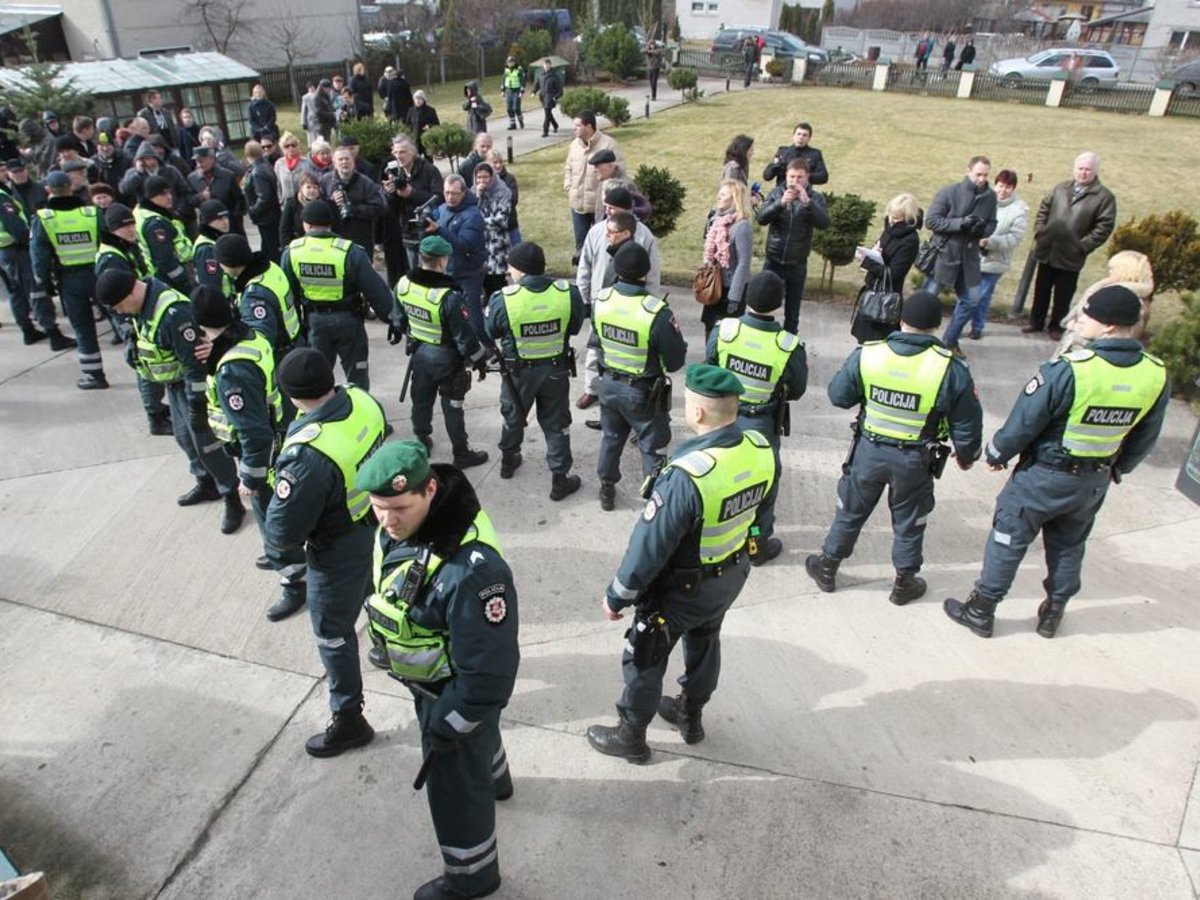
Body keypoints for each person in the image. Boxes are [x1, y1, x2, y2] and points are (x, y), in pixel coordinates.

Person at [944, 285, 1168, 639]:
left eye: (1086, 315)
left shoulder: (1071, 370)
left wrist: (998, 453)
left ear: (1109, 326)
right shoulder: (1155, 374)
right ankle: (1053, 613)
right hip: (1092, 482)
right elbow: (1146, 435)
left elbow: (1026, 420)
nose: (1078, 320)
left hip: (1044, 477)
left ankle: (981, 609)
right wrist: (1119, 469)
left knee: (1008, 539)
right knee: (1069, 545)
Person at [585, 363, 779, 762]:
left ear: (698, 412)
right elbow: (762, 520)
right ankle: (691, 715)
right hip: (729, 574)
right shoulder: (762, 451)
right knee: (705, 642)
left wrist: (617, 596)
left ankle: (631, 735)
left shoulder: (688, 476)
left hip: (679, 589)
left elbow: (648, 548)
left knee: (645, 653)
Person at [356, 440, 519, 900]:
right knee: (481, 743)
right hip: (430, 677)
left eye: (399, 509)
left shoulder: (472, 572)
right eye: (377, 507)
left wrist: (451, 721)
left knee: (453, 787)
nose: (387, 521)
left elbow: (488, 675)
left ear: (430, 489)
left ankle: (472, 876)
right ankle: (497, 779)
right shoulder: (405, 527)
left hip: (450, 693)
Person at [806, 291, 983, 603]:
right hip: (914, 459)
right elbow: (967, 422)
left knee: (850, 510)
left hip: (868, 452)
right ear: (936, 327)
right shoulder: (949, 368)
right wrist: (967, 456)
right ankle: (904, 582)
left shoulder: (870, 354)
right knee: (910, 520)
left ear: (901, 321)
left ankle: (828, 566)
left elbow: (838, 396)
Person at [264, 348, 386, 754]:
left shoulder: (310, 455)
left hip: (337, 548)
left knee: (333, 634)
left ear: (292, 396)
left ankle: (350, 717)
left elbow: (282, 532)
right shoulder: (363, 400)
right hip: (379, 522)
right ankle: (387, 646)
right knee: (375, 591)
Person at [94, 268, 244, 532]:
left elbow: (195, 364)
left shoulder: (173, 314)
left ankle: (231, 497)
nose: (119, 312)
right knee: (184, 438)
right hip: (174, 387)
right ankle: (205, 483)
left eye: (119, 306)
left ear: (130, 291)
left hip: (191, 388)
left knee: (208, 446)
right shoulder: (142, 308)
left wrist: (197, 404)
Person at [190, 286, 305, 621]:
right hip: (275, 441)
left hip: (262, 459)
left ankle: (294, 581)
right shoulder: (251, 337)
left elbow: (255, 431)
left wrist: (250, 478)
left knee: (273, 523)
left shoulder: (232, 371)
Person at [706, 271, 807, 566]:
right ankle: (756, 544)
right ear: (779, 304)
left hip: (722, 417)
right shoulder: (787, 345)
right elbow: (797, 389)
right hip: (761, 424)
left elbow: (711, 368)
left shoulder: (724, 331)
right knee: (764, 487)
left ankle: (712, 533)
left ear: (748, 298)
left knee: (718, 478)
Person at [485, 240, 586, 498]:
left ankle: (508, 461)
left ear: (521, 270)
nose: (509, 271)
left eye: (511, 267)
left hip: (518, 374)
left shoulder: (504, 299)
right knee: (556, 424)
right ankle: (559, 480)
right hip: (556, 370)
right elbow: (574, 326)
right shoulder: (567, 292)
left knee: (513, 417)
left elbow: (491, 331)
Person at [593, 242, 688, 511]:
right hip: (644, 392)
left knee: (611, 438)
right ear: (645, 274)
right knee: (652, 445)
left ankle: (606, 489)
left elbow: (597, 340)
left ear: (617, 270)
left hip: (609, 384)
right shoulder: (656, 312)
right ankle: (655, 499)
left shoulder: (601, 301)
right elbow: (675, 361)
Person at [390, 235, 490, 469]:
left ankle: (422, 439)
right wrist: (479, 359)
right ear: (443, 260)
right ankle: (461, 452)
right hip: (448, 359)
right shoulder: (448, 297)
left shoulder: (404, 284)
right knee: (453, 406)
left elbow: (399, 318)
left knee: (421, 400)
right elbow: (464, 336)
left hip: (420, 354)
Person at [281, 200, 393, 390]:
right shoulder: (349, 251)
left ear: (305, 224)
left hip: (314, 323)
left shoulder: (293, 251)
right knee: (356, 375)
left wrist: (291, 332)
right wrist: (392, 318)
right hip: (349, 321)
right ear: (330, 223)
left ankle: (323, 413)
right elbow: (375, 290)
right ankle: (358, 411)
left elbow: (286, 295)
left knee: (316, 376)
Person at [575, 193, 663, 412]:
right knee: (595, 348)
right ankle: (592, 389)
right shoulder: (597, 231)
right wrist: (584, 297)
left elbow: (652, 275)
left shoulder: (644, 236)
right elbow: (585, 266)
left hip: (632, 306)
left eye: (611, 208)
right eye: (606, 207)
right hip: (601, 302)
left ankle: (628, 395)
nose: (607, 212)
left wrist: (650, 304)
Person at [1024, 152, 1118, 342]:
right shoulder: (1060, 188)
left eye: (1087, 169)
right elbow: (1044, 209)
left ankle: (1057, 326)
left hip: (1071, 255)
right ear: (1075, 169)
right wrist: (1041, 232)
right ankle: (1036, 321)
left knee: (1063, 294)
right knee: (1041, 288)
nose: (1083, 173)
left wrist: (1082, 246)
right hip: (1047, 249)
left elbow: (1104, 227)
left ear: (1095, 171)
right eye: (1080, 168)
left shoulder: (1104, 197)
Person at [29, 172, 108, 390]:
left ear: (48, 190)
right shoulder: (91, 213)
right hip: (99, 274)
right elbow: (108, 241)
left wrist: (45, 284)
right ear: (71, 188)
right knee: (121, 320)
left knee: (83, 329)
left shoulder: (44, 218)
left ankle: (94, 374)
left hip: (70, 280)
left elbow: (39, 258)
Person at [96, 202, 170, 435]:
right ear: (113, 229)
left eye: (131, 224)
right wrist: (127, 329)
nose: (130, 229)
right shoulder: (112, 257)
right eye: (124, 226)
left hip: (139, 313)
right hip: (131, 319)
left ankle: (157, 409)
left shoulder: (127, 247)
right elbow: (113, 297)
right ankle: (155, 416)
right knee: (146, 367)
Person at [924, 155, 998, 357]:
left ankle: (950, 340)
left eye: (985, 175)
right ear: (968, 171)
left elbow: (992, 224)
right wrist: (959, 223)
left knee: (972, 301)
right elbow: (931, 221)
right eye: (978, 174)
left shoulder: (990, 197)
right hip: (945, 256)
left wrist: (982, 229)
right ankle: (917, 341)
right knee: (926, 300)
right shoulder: (949, 192)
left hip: (969, 260)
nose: (982, 179)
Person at [755, 157, 829, 334]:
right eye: (792, 177)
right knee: (763, 304)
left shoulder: (815, 197)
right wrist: (779, 204)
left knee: (792, 312)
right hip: (774, 259)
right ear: (786, 176)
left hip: (797, 263)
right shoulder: (776, 192)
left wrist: (808, 203)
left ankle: (788, 349)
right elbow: (762, 218)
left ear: (807, 177)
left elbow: (824, 223)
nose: (795, 181)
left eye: (800, 177)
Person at [1, 167, 72, 349]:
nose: (4, 173)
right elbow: (15, 226)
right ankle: (53, 334)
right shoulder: (2, 197)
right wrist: (29, 241)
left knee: (16, 291)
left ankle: (28, 330)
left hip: (5, 252)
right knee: (36, 291)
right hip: (17, 250)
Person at [215, 233, 302, 360]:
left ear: (229, 263)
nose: (221, 268)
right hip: (294, 341)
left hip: (280, 355)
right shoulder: (270, 267)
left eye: (221, 263)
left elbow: (260, 337)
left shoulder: (254, 295)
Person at [1055, 250, 1153, 357]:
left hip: (1086, 353)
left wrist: (1077, 328)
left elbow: (1116, 336)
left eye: (1113, 268)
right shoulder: (1111, 290)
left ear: (1125, 271)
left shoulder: (1127, 302)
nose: (1109, 272)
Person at [853, 193, 922, 343]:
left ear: (908, 219)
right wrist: (875, 253)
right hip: (872, 291)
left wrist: (867, 261)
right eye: (891, 215)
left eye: (896, 218)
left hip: (885, 300)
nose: (891, 220)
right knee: (865, 342)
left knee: (877, 343)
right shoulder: (890, 228)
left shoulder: (910, 240)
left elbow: (894, 274)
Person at [426, 174, 487, 342]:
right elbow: (433, 220)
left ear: (464, 192)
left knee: (473, 318)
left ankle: (488, 349)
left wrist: (438, 229)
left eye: (454, 193)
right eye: (446, 193)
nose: (450, 197)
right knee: (449, 316)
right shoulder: (443, 209)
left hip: (469, 273)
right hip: (448, 272)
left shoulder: (473, 215)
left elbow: (462, 246)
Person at [970, 169, 1028, 340]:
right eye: (1000, 185)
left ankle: (977, 326)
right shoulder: (983, 199)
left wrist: (990, 241)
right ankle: (958, 325)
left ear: (1014, 188)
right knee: (967, 296)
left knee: (981, 296)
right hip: (974, 257)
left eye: (1008, 187)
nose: (1003, 190)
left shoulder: (1019, 210)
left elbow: (1014, 239)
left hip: (995, 261)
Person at [381, 135, 443, 283]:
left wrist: (412, 193)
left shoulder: (429, 170)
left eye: (402, 152)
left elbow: (439, 199)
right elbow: (390, 207)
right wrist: (388, 193)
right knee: (412, 276)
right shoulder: (394, 172)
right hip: (406, 234)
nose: (399, 156)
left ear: (413, 152)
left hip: (427, 231)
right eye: (395, 153)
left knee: (428, 276)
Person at [563, 110, 622, 263]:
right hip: (578, 205)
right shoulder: (574, 145)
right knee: (581, 247)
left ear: (589, 126)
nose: (574, 129)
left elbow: (619, 172)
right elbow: (568, 167)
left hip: (600, 207)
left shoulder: (609, 144)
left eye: (578, 125)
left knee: (600, 246)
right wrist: (568, 186)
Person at [700, 179, 753, 340]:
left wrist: (734, 297)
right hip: (714, 284)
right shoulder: (716, 220)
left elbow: (743, 263)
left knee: (727, 330)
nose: (718, 197)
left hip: (730, 288)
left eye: (723, 194)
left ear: (734, 198)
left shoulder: (741, 226)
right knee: (709, 322)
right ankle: (710, 357)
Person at [320, 146, 385, 254]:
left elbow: (379, 207)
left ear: (353, 161)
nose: (344, 162)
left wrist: (353, 209)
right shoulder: (325, 181)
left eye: (347, 159)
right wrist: (331, 201)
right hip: (334, 236)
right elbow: (319, 205)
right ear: (334, 163)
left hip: (360, 236)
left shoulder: (366, 182)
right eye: (340, 159)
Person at [134, 175, 194, 292]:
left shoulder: (142, 212)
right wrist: (183, 280)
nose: (169, 197)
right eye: (162, 194)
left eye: (169, 192)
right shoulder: (156, 224)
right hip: (170, 279)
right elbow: (165, 260)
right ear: (151, 197)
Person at [472, 163, 512, 299]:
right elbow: (471, 215)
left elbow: (502, 219)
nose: (482, 181)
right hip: (481, 245)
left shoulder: (503, 192)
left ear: (492, 177)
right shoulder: (473, 194)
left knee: (498, 283)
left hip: (498, 246)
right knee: (484, 280)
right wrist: (478, 196)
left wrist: (481, 222)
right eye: (479, 177)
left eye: (485, 177)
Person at [243, 139, 282, 263]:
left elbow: (264, 196)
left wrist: (253, 211)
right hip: (270, 215)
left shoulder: (257, 172)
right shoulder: (265, 165)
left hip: (266, 217)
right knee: (268, 245)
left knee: (271, 248)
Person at [762, 122, 829, 188]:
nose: (801, 137)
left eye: (804, 135)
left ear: (809, 138)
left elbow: (823, 177)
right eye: (798, 134)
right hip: (782, 192)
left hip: (805, 193)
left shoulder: (814, 154)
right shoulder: (782, 152)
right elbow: (767, 176)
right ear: (793, 136)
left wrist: (802, 177)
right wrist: (776, 167)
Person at [192, 199, 231, 295]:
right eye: (219, 219)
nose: (225, 222)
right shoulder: (207, 249)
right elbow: (210, 287)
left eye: (226, 217)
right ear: (207, 222)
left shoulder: (216, 241)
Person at [486, 149, 521, 248]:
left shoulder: (509, 179)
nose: (498, 165)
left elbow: (513, 199)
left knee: (516, 255)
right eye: (495, 162)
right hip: (492, 229)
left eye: (500, 162)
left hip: (510, 225)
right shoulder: (483, 180)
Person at [279, 175, 323, 248]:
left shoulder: (325, 204)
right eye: (308, 187)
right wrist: (286, 248)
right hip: (298, 244)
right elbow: (284, 229)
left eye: (315, 187)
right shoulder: (292, 204)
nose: (312, 190)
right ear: (301, 188)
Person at [406, 91, 440, 160]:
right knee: (415, 159)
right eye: (416, 99)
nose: (418, 101)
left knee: (428, 159)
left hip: (427, 139)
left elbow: (437, 124)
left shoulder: (430, 110)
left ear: (424, 100)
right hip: (415, 139)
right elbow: (408, 124)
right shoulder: (411, 110)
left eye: (420, 99)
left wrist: (429, 126)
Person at [275, 132, 307, 202]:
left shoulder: (306, 163)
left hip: (302, 203)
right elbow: (278, 185)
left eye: (293, 145)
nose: (290, 148)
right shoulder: (279, 164)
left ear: (298, 146)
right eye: (287, 146)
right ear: (282, 148)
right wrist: (280, 199)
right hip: (285, 204)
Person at [536, 58, 562, 138]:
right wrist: (533, 91)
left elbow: (560, 89)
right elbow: (537, 84)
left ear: (550, 65)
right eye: (545, 64)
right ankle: (555, 125)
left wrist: (556, 97)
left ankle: (545, 131)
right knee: (548, 113)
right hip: (543, 97)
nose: (546, 66)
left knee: (547, 113)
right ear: (543, 66)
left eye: (548, 64)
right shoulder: (541, 75)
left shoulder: (554, 76)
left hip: (551, 97)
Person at [499, 55, 526, 130]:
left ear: (514, 62)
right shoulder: (506, 69)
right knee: (509, 109)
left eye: (511, 62)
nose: (510, 64)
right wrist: (503, 90)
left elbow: (523, 81)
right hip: (509, 90)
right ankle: (513, 124)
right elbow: (503, 80)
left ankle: (520, 121)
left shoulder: (519, 69)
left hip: (516, 90)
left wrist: (522, 91)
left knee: (516, 108)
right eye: (509, 62)